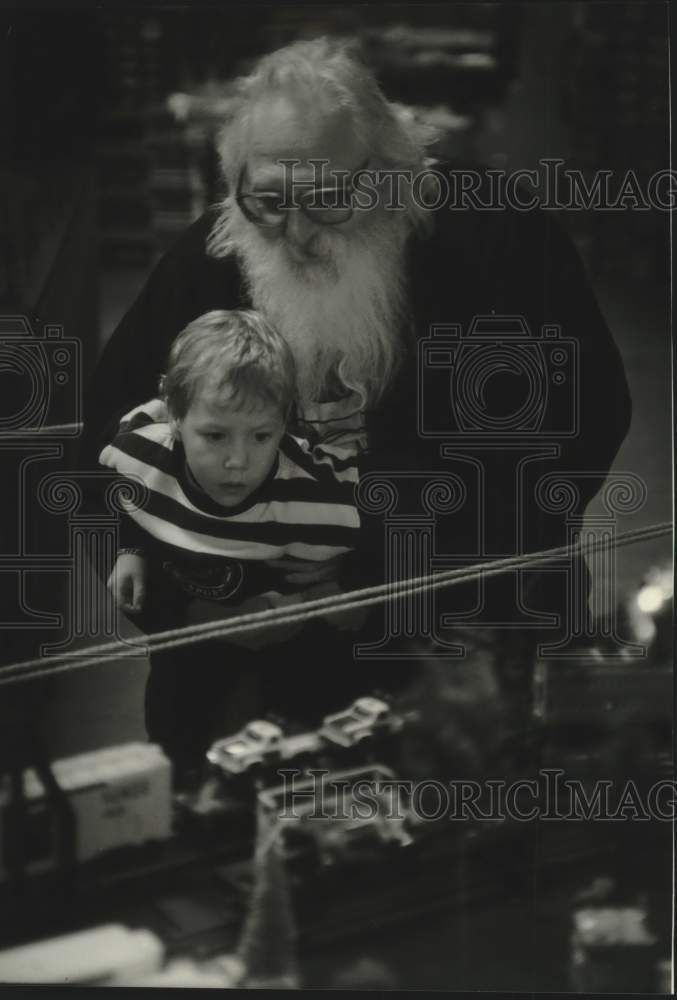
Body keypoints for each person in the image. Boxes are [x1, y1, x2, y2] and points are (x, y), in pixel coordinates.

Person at [82, 37, 631, 743]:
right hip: (245, 652)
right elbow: (105, 451)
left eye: (329, 200)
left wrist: (374, 575)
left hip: (446, 626)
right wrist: (188, 607)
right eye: (268, 201)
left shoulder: (498, 241)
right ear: (233, 182)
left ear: (393, 173)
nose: (297, 233)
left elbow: (569, 438)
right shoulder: (207, 261)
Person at [99, 308, 365, 771]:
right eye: (216, 435)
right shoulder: (137, 452)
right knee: (172, 730)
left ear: (284, 426)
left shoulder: (315, 501)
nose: (238, 461)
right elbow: (125, 496)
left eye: (261, 435)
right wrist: (131, 549)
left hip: (280, 636)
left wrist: (329, 589)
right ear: (176, 419)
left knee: (295, 738)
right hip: (189, 629)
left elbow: (358, 537)